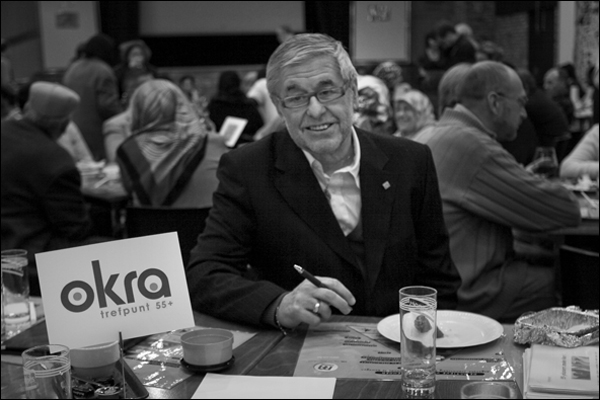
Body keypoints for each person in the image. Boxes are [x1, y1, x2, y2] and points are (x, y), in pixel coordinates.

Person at [186, 33, 461, 330]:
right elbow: (205, 274)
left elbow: (438, 280)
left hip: (398, 342)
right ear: (278, 106)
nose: (315, 110)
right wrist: (279, 305)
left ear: (353, 93)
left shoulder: (410, 162)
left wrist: (418, 339)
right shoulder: (249, 169)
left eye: (327, 92)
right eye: (296, 98)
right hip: (301, 344)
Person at [415, 61, 581, 321]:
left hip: (426, 286)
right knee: (568, 276)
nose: (524, 114)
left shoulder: (430, 133)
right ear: (495, 102)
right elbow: (566, 209)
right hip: (466, 292)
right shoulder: (473, 144)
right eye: (521, 103)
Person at [1, 82, 105, 272]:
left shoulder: (5, 130)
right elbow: (75, 229)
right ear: (64, 124)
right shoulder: (56, 160)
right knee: (112, 247)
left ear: (27, 108)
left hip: (7, 242)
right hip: (30, 255)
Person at [115, 80, 228, 208]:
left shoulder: (128, 150)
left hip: (152, 221)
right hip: (207, 220)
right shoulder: (214, 142)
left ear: (137, 110)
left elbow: (129, 190)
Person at [63, 34, 122, 161]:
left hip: (73, 128)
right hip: (96, 132)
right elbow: (107, 105)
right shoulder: (103, 71)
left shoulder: (73, 68)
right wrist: (125, 116)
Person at [207, 71, 264, 145]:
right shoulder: (247, 104)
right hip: (247, 145)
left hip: (221, 145)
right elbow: (259, 125)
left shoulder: (215, 104)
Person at [113, 39, 158, 106]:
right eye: (134, 54)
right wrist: (131, 70)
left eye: (140, 54)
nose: (137, 58)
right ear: (127, 56)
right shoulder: (119, 71)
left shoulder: (151, 70)